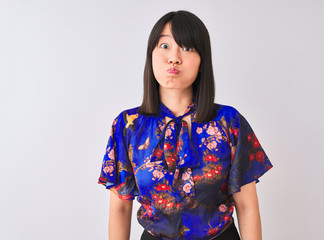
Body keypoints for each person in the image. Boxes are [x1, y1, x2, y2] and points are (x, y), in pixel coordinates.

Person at [98, 10, 273, 240]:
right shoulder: (128, 126)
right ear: (150, 54)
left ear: (202, 61)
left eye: (187, 48)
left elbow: (247, 206)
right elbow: (121, 207)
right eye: (165, 46)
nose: (174, 58)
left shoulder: (229, 122)